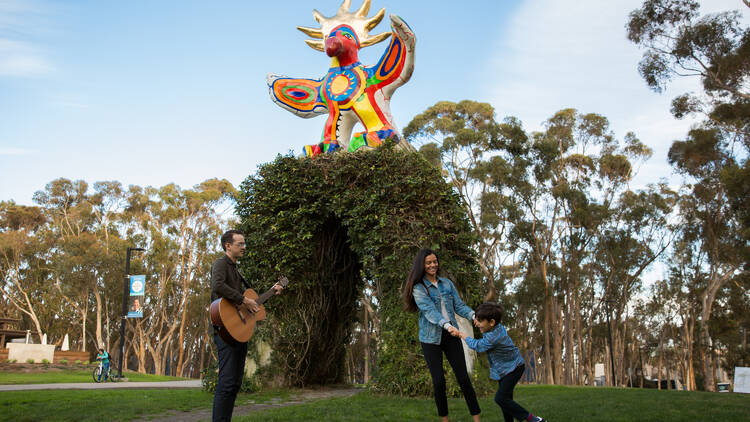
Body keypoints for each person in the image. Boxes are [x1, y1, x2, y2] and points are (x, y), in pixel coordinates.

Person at [210, 229, 284, 422]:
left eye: (244, 244)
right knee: (226, 382)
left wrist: (270, 292)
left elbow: (249, 306)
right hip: (225, 331)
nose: (244, 247)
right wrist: (243, 299)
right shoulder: (220, 264)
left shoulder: (235, 269)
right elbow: (217, 286)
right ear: (228, 246)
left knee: (235, 383)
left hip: (240, 332)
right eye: (240, 244)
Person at [402, 248, 481, 422]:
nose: (433, 265)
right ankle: (445, 420)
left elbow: (459, 306)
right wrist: (446, 325)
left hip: (451, 336)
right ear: (422, 265)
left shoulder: (446, 284)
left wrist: (474, 315)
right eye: (429, 262)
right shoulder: (418, 288)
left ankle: (477, 419)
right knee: (439, 382)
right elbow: (430, 312)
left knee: (463, 378)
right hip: (430, 338)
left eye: (435, 262)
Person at [453, 302, 546, 422]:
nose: (477, 324)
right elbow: (483, 325)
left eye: (480, 321)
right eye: (477, 320)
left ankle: (534, 419)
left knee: (500, 399)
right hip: (505, 369)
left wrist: (461, 334)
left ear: (491, 322)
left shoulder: (493, 337)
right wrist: (478, 319)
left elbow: (478, 346)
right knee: (506, 401)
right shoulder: (495, 326)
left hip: (514, 369)